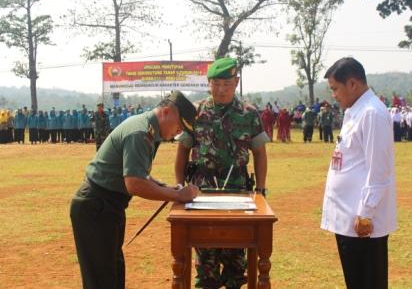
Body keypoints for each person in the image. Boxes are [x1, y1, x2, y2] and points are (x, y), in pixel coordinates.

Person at [70, 91, 199, 289]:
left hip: (108, 207)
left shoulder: (150, 131)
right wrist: (177, 194)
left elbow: (140, 174)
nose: (177, 132)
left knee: (113, 274)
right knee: (101, 280)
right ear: (166, 112)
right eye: (179, 126)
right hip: (96, 207)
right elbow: (135, 183)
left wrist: (167, 188)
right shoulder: (141, 132)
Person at [175, 58, 269, 289]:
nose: (221, 90)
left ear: (236, 82)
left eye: (227, 84)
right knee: (205, 258)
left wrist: (261, 190)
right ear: (208, 83)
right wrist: (179, 188)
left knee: (236, 260)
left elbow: (259, 153)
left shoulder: (249, 113)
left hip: (238, 191)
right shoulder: (195, 112)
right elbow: (182, 151)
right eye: (216, 84)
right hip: (201, 191)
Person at [320, 57, 397, 289]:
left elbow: (379, 170)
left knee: (368, 282)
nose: (333, 95)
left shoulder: (372, 113)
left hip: (363, 224)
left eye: (335, 88)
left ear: (352, 84)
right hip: (349, 219)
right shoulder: (355, 110)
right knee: (356, 282)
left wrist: (366, 213)